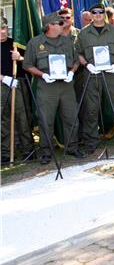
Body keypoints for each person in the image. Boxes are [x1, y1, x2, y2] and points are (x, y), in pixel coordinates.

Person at [23, 12, 85, 164]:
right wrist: (42, 75)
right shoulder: (35, 43)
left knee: (71, 117)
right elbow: (27, 65)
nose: (63, 25)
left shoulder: (67, 42)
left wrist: (71, 72)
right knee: (46, 121)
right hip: (47, 87)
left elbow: (76, 61)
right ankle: (46, 152)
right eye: (60, 23)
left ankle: (72, 147)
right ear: (50, 26)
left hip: (66, 86)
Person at [75, 3, 114, 154]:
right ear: (91, 15)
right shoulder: (83, 33)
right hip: (92, 74)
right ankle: (91, 142)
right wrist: (87, 65)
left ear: (104, 14)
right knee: (91, 109)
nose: (98, 14)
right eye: (95, 12)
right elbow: (78, 53)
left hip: (112, 73)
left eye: (101, 12)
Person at [1, 18, 35, 163]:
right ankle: (6, 153)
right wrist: (3, 78)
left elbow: (30, 62)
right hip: (2, 85)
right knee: (3, 120)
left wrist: (19, 57)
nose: (1, 32)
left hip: (18, 83)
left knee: (23, 117)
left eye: (3, 28)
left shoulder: (16, 43)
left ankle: (28, 150)